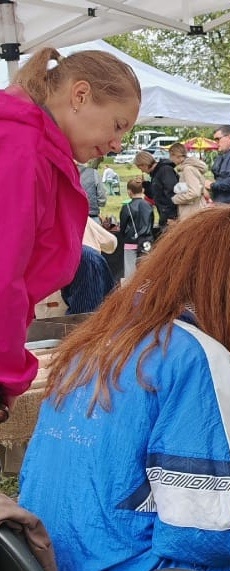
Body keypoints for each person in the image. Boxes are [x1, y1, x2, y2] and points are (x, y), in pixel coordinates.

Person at [19, 205, 230, 571]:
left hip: (49, 560)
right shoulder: (195, 353)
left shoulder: (103, 336)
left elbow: (128, 444)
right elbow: (203, 535)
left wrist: (213, 433)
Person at [0, 47, 140, 422]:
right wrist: (7, 377)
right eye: (118, 125)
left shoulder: (28, 142)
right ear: (80, 96)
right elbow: (3, 275)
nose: (117, 144)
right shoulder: (22, 150)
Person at [120, 177, 154, 281]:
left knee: (130, 273)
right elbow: (151, 223)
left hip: (131, 242)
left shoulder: (127, 207)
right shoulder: (149, 206)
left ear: (129, 192)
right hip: (146, 242)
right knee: (145, 271)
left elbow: (123, 226)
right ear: (143, 190)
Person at [134, 150, 179, 229]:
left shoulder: (165, 170)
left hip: (171, 218)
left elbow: (172, 194)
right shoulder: (156, 174)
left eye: (140, 168)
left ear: (144, 164)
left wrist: (172, 217)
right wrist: (144, 184)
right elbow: (155, 194)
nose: (142, 171)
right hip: (164, 216)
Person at [168, 142, 209, 218]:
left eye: (170, 156)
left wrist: (176, 199)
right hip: (195, 210)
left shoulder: (188, 169)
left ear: (175, 155)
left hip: (192, 213)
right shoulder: (189, 168)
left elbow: (194, 193)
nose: (170, 159)